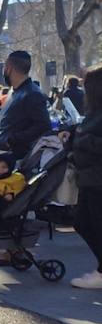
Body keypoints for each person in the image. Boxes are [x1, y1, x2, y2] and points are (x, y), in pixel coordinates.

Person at [69, 67, 102, 290]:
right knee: (84, 221)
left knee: (91, 223)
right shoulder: (94, 112)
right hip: (89, 177)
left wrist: (82, 141)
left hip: (96, 178)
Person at [0, 50, 51, 163]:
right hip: (0, 155)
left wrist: (13, 140)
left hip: (12, 159)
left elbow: (43, 125)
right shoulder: (14, 91)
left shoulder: (32, 94)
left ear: (9, 68)